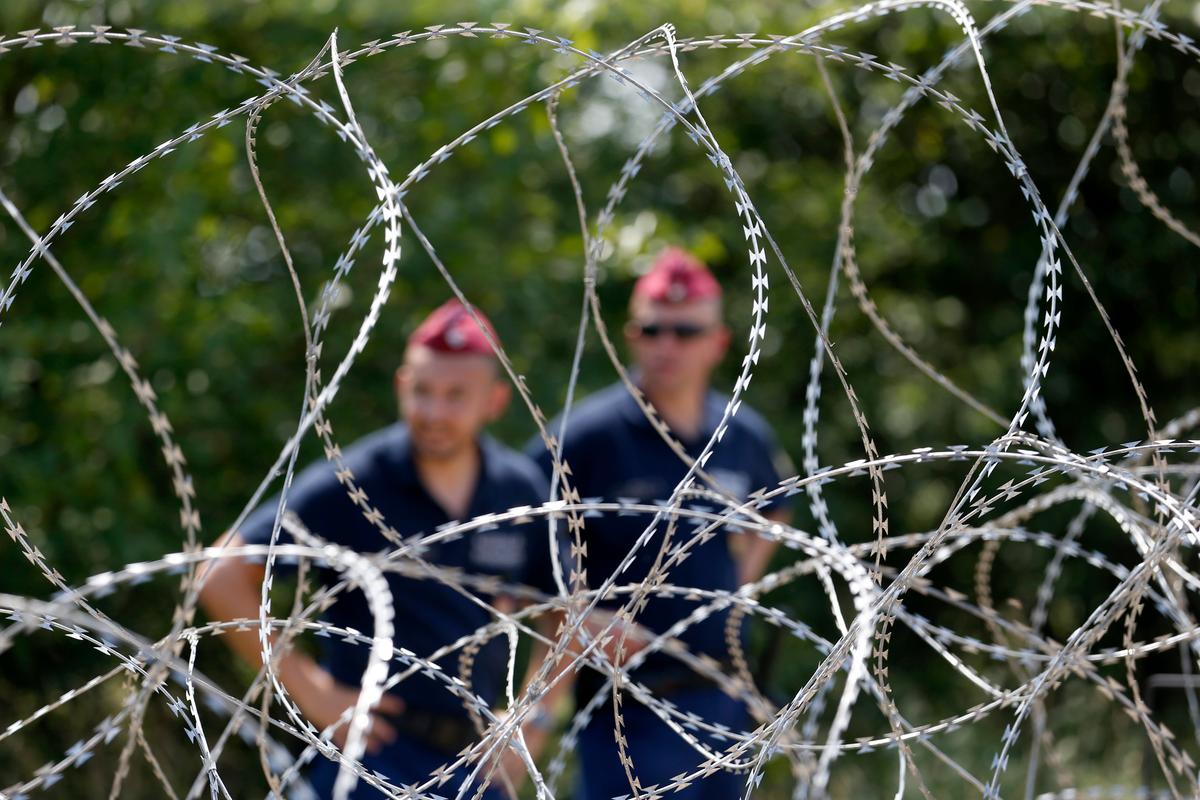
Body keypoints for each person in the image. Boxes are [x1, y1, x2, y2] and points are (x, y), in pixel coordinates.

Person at [198, 299, 559, 799]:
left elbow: (563, 610)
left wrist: (532, 720)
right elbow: (220, 574)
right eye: (422, 391)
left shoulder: (517, 489)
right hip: (376, 758)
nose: (433, 412)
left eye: (456, 395)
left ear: (495, 401)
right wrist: (314, 694)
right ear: (401, 385)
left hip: (477, 763)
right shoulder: (356, 484)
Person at [525, 248, 793, 800]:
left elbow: (775, 507)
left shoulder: (740, 433)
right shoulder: (586, 437)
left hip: (722, 698)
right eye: (652, 329)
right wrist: (575, 613)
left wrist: (736, 587)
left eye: (685, 331)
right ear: (631, 336)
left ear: (718, 343)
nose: (667, 345)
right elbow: (520, 532)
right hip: (629, 704)